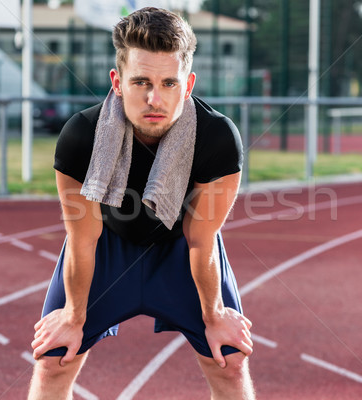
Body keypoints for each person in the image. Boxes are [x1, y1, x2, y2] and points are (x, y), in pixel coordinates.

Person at [28, 7, 255, 399]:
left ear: (188, 84)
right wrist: (73, 316)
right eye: (141, 82)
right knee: (53, 359)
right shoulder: (80, 137)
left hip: (181, 247)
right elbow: (82, 237)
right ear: (117, 82)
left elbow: (201, 239)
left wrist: (215, 316)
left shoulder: (218, 138)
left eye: (169, 83)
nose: (155, 98)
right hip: (105, 247)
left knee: (230, 362)